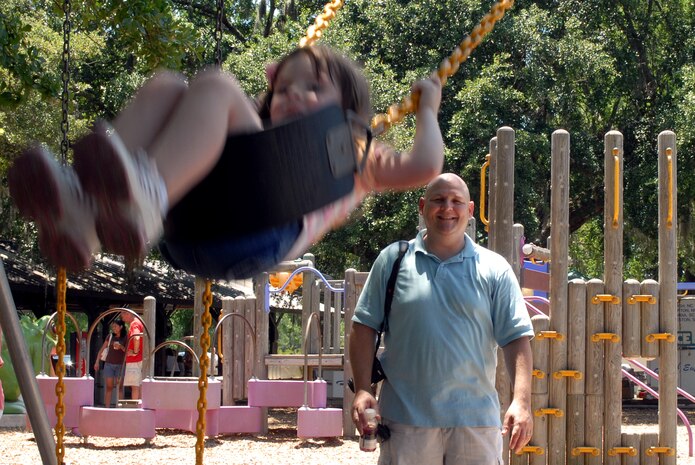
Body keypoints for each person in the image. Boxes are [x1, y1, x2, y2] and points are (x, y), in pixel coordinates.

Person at [8, 45, 444, 278]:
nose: (292, 93)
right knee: (167, 87)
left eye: (313, 87)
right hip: (186, 234)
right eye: (284, 88)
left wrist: (427, 112)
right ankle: (87, 218)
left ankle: (143, 197)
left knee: (216, 84)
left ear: (347, 108)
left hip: (256, 236)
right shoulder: (250, 132)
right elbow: (232, 121)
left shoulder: (351, 148)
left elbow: (424, 166)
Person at [349, 173, 535, 464]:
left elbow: (516, 339)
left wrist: (521, 401)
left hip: (476, 421)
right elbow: (363, 327)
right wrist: (362, 387)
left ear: (470, 210)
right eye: (438, 200)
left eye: (456, 201)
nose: (447, 208)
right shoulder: (393, 261)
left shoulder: (494, 268)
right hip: (405, 421)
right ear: (423, 206)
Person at [93, 318, 127, 407]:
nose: (114, 328)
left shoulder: (126, 337)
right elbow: (102, 349)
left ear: (121, 327)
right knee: (109, 387)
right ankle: (107, 408)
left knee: (119, 388)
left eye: (115, 326)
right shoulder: (110, 336)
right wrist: (97, 361)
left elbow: (128, 351)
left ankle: (120, 408)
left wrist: (121, 347)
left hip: (120, 365)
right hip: (109, 364)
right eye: (113, 327)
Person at [120, 310, 144, 400]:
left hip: (135, 360)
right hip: (140, 359)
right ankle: (141, 408)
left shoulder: (134, 324)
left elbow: (136, 337)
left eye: (122, 317)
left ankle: (135, 409)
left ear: (128, 314)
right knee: (140, 385)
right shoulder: (140, 322)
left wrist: (135, 352)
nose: (122, 319)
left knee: (134, 386)